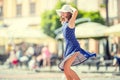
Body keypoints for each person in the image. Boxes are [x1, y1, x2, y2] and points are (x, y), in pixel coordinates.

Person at [56, 5, 96, 80]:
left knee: (66, 67)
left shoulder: (71, 22)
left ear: (69, 13)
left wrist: (70, 7)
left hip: (74, 47)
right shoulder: (64, 23)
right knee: (65, 68)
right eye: (62, 12)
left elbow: (75, 12)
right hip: (68, 47)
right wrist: (63, 13)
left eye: (64, 12)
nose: (62, 13)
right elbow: (62, 18)